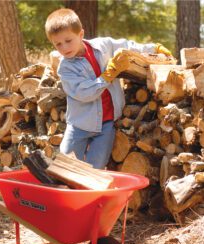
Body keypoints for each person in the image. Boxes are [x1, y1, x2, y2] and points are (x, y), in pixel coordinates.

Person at [45, 8, 172, 169]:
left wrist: (154, 48)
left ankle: (88, 194)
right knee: (65, 165)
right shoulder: (65, 68)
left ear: (81, 35)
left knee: (96, 167)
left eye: (68, 40)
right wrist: (107, 76)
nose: (64, 47)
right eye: (58, 44)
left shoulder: (103, 46)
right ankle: (63, 192)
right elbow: (84, 93)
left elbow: (127, 46)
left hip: (107, 124)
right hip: (79, 125)